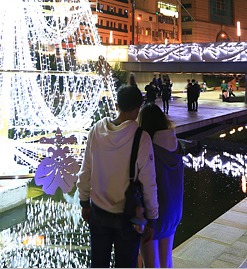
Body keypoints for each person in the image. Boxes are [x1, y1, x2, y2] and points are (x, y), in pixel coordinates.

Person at [77, 78, 159, 268]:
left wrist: (84, 201)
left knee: (98, 263)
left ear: (116, 105)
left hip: (97, 211)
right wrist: (152, 218)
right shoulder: (141, 137)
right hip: (128, 216)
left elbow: (85, 170)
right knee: (126, 264)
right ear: (139, 107)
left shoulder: (96, 130)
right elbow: (149, 182)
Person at [138, 104, 183, 268]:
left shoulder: (148, 149)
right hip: (173, 212)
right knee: (166, 262)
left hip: (154, 212)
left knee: (151, 264)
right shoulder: (175, 144)